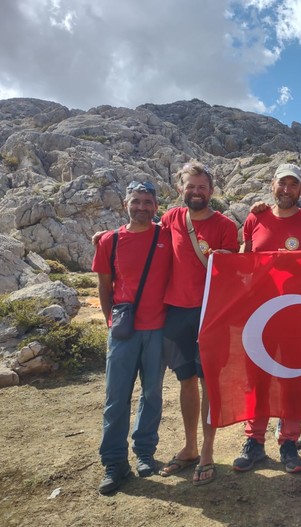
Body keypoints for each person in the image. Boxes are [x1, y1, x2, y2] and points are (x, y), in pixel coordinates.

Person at [232, 163, 301, 473]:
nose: (286, 189)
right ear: (272, 184)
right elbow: (245, 260)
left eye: (293, 185)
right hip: (258, 316)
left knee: (293, 381)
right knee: (256, 380)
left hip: (296, 317)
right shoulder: (254, 218)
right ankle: (254, 442)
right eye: (281, 183)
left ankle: (289, 442)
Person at [157, 161, 240, 485]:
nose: (195, 192)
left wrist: (227, 258)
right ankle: (189, 446)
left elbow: (234, 271)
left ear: (212, 191)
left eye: (201, 187)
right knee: (186, 381)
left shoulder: (224, 225)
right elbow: (145, 240)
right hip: (176, 312)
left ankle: (207, 450)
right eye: (190, 187)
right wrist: (106, 239)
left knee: (209, 383)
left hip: (211, 314)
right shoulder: (170, 219)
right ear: (181, 189)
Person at [92, 181, 172, 494]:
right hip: (123, 331)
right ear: (126, 203)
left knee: (152, 394)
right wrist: (110, 321)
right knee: (116, 398)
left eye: (148, 202)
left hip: (158, 329)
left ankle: (144, 454)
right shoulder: (110, 241)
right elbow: (103, 286)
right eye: (136, 201)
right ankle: (114, 463)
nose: (141, 207)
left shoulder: (166, 236)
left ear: (156, 206)